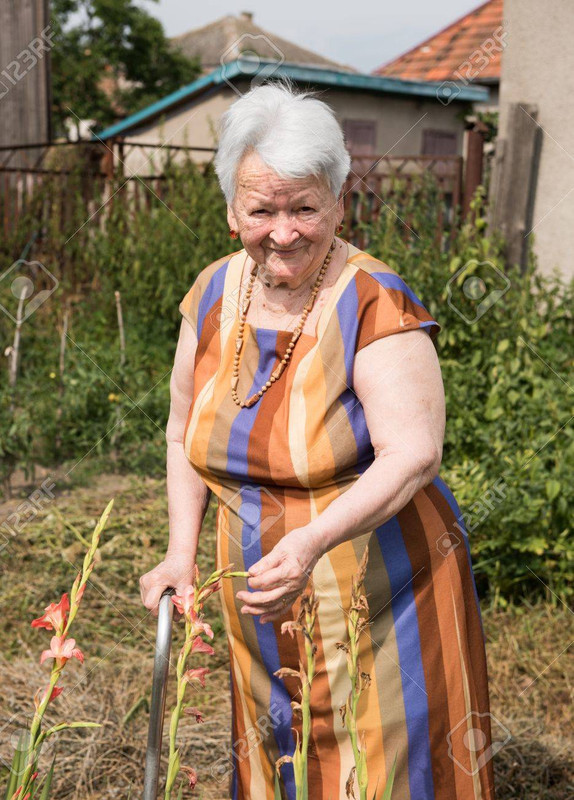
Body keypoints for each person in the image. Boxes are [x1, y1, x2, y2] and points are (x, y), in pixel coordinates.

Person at [140, 79, 496, 800]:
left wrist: (306, 544)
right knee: (281, 759)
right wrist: (180, 552)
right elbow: (182, 432)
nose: (284, 230)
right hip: (261, 602)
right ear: (230, 209)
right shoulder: (211, 293)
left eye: (305, 207)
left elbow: (413, 452)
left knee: (382, 774)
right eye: (261, 209)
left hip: (381, 598)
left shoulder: (375, 302)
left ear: (338, 202)